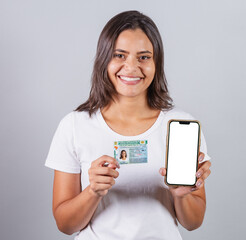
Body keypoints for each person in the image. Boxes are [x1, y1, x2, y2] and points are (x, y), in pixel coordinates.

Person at [45, 10, 212, 240]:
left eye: (144, 57)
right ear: (104, 59)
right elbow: (65, 224)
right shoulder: (74, 126)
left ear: (157, 63)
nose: (131, 67)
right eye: (119, 55)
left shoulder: (181, 125)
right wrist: (93, 191)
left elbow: (193, 223)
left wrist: (181, 195)